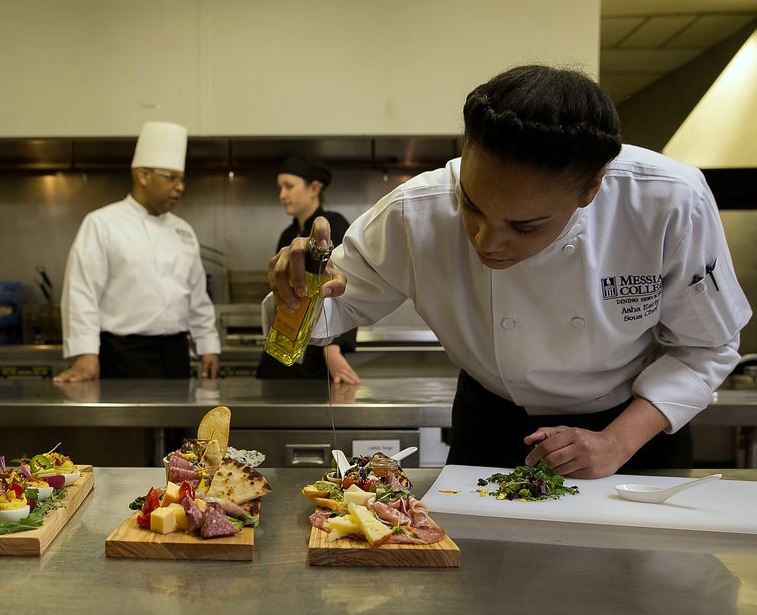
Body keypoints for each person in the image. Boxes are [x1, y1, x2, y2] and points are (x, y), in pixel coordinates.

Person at [266, 65, 753, 479]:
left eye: (525, 226)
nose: (486, 242)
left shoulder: (666, 201)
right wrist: (299, 292)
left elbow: (707, 346)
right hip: (492, 427)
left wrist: (615, 443)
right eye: (472, 208)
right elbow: (322, 320)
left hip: (635, 433)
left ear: (591, 189)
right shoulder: (416, 212)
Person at [54, 121, 220, 384]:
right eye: (171, 177)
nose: (180, 187)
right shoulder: (102, 223)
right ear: (143, 176)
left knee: (177, 424)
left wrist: (207, 344)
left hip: (176, 353)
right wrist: (86, 352)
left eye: (182, 179)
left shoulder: (183, 230)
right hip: (122, 355)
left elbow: (197, 294)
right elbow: (81, 292)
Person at [256, 153, 361, 384]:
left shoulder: (333, 225)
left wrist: (332, 348)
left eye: (288, 186)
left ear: (314, 188)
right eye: (280, 187)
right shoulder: (287, 235)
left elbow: (344, 288)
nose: (282, 195)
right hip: (279, 348)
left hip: (315, 355)